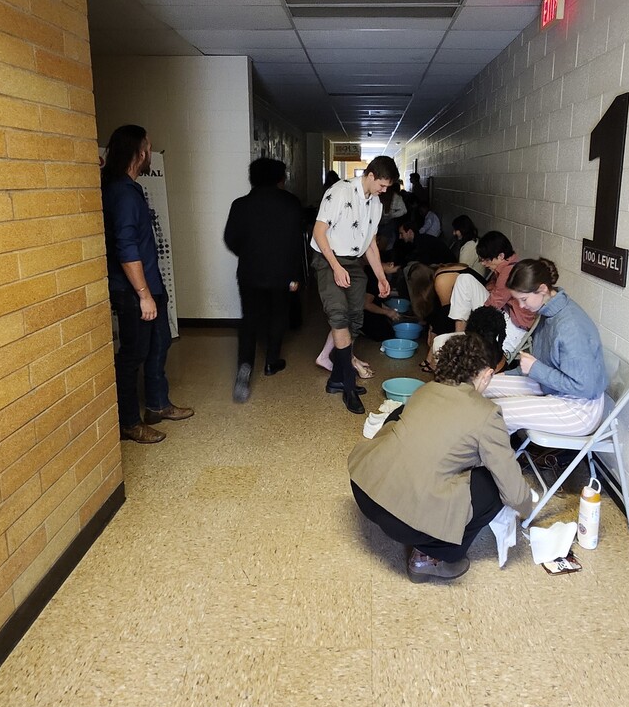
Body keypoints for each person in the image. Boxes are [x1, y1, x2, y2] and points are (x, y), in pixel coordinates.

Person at [348, 333, 533, 583]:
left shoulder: (425, 390)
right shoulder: (487, 414)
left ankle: (415, 534)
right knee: (492, 486)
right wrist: (528, 507)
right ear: (486, 374)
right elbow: (512, 492)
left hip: (365, 492)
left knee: (400, 425)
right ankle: (431, 558)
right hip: (405, 522)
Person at [101, 125, 194, 444]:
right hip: (135, 293)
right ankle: (128, 422)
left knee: (159, 346)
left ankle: (157, 405)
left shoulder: (130, 188)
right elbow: (126, 248)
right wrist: (143, 296)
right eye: (149, 147)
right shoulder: (122, 193)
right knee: (133, 355)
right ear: (139, 153)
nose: (151, 153)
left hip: (151, 286)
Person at [311, 155, 399, 414]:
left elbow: (370, 244)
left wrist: (381, 277)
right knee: (338, 316)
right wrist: (336, 267)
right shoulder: (340, 191)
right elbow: (318, 232)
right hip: (329, 259)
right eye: (382, 185)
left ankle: (336, 380)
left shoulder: (376, 204)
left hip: (353, 261)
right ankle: (348, 385)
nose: (385, 190)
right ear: (370, 175)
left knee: (354, 320)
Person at [481, 258, 608, 435]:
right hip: (552, 387)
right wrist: (502, 375)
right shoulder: (547, 312)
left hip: (580, 408)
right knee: (482, 385)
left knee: (496, 412)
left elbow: (584, 387)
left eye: (524, 299)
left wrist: (535, 369)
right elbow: (538, 366)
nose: (521, 306)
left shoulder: (571, 327)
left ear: (542, 289)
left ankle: (492, 459)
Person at [223, 157, 304, 403]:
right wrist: (296, 276)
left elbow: (230, 238)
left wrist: (248, 254)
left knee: (249, 319)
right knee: (279, 314)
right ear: (281, 178)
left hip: (250, 272)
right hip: (283, 274)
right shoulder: (291, 204)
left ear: (253, 178)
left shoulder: (240, 205)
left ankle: (245, 368)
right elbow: (296, 244)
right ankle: (271, 362)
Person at [475, 231, 535, 332]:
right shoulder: (507, 267)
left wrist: (475, 318)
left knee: (465, 280)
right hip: (509, 314)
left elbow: (495, 302)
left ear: (501, 256)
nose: (483, 263)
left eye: (486, 259)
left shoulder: (509, 271)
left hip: (515, 322)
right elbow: (491, 289)